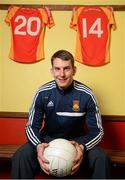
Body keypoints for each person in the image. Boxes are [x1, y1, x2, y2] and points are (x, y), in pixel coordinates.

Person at [11, 50, 110, 179]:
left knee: (101, 158)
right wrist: (38, 146)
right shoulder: (42, 92)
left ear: (74, 70)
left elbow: (98, 131)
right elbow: (31, 127)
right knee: (20, 156)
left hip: (77, 142)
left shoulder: (87, 94)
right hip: (48, 141)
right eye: (57, 69)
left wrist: (82, 147)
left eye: (66, 69)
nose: (61, 74)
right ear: (52, 71)